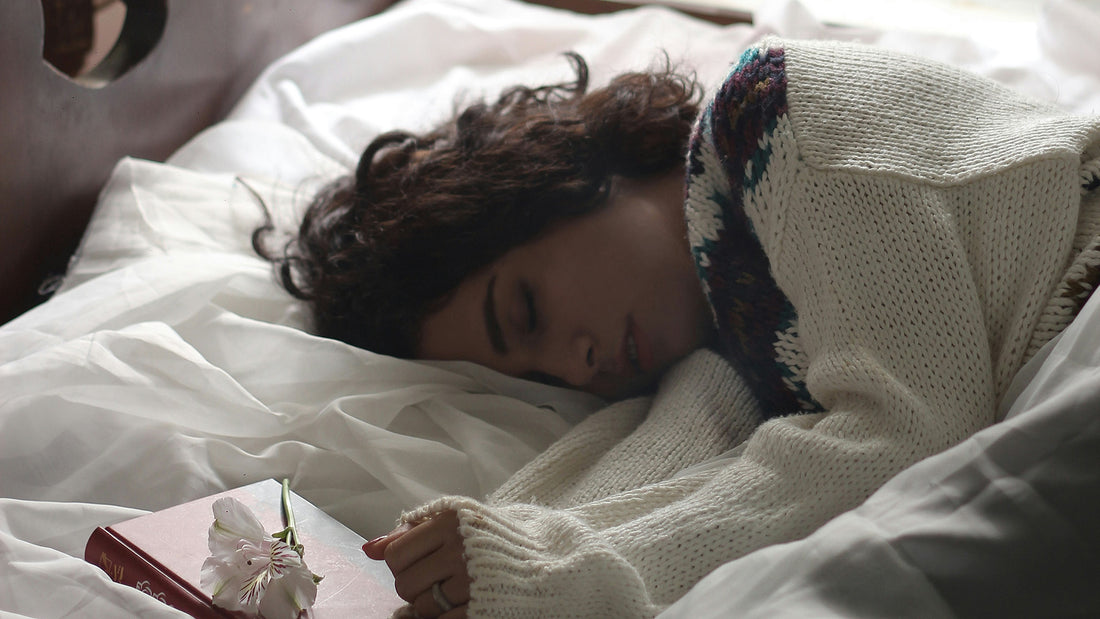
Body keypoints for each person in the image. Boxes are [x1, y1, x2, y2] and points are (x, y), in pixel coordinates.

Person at [259, 37, 1100, 618]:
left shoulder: (775, 121)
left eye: (527, 311)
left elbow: (907, 429)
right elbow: (656, 463)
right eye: (547, 379)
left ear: (562, 179)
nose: (577, 363)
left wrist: (555, 575)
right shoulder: (729, 313)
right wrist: (481, 549)